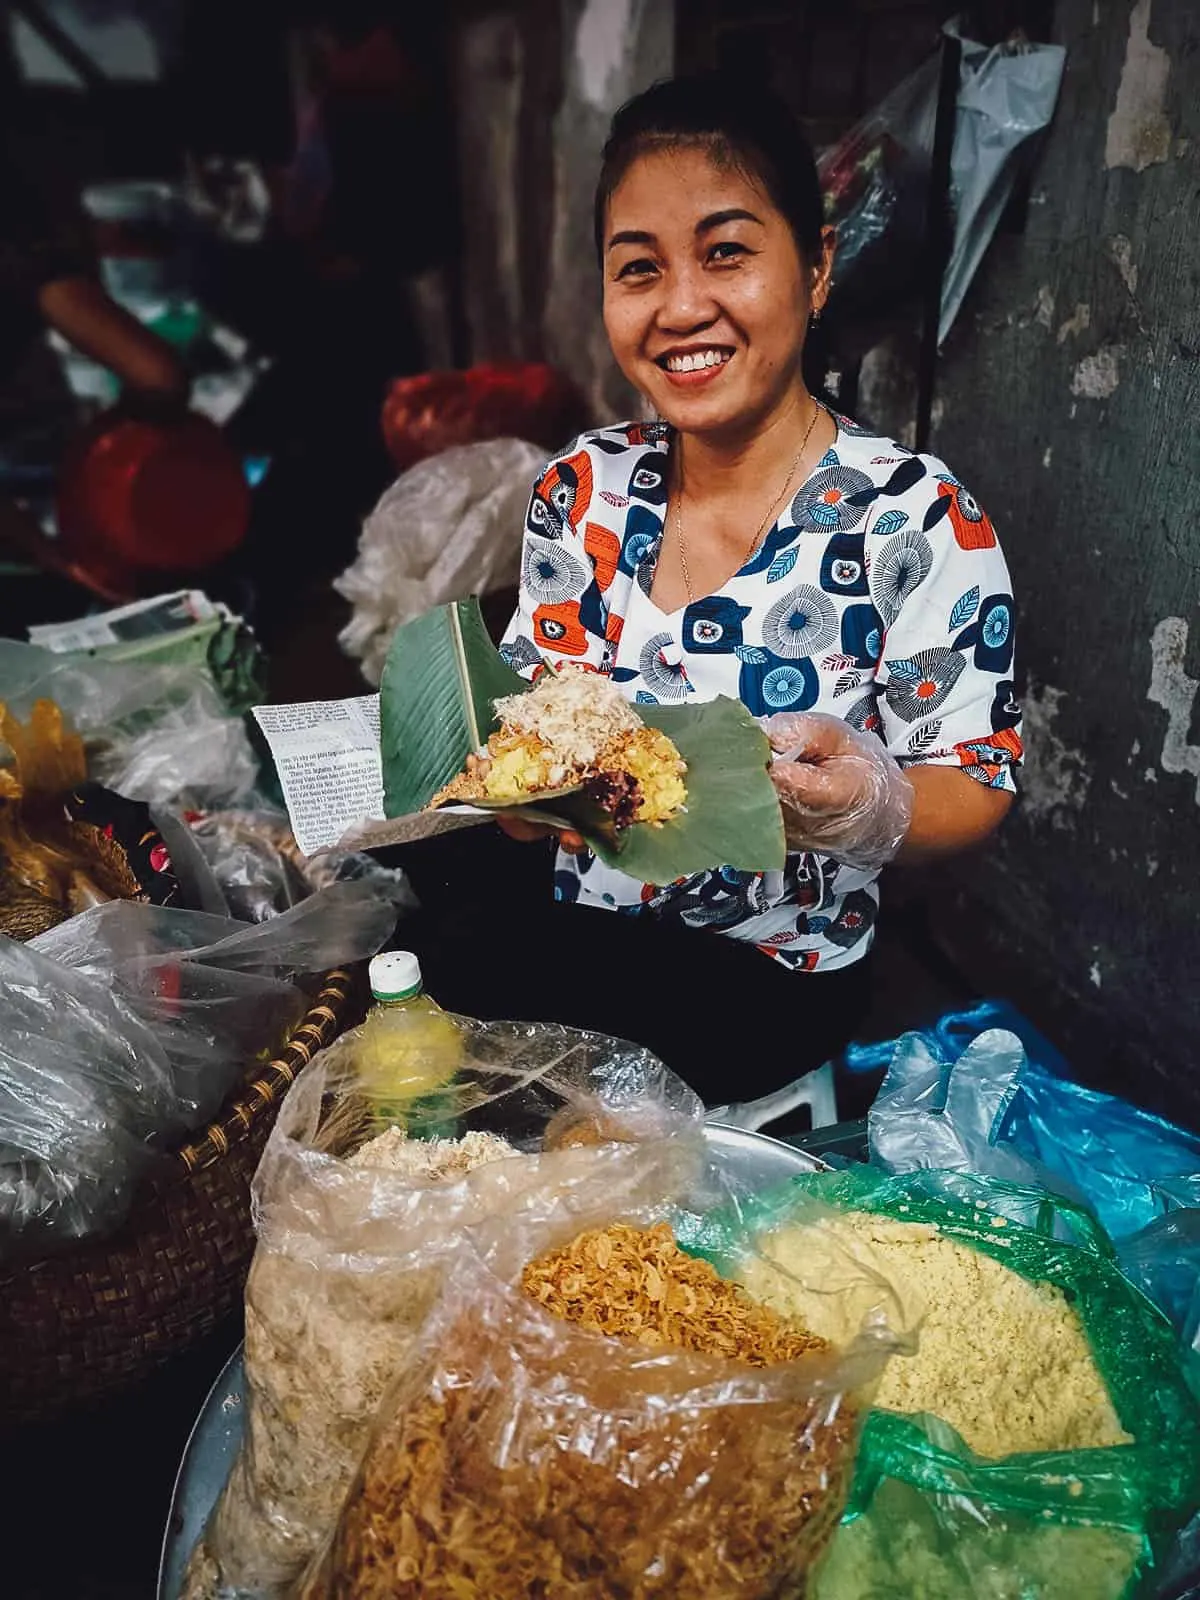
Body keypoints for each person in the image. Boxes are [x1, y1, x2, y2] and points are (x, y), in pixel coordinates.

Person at [411, 74, 1022, 1113]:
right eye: (639, 268)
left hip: (768, 971)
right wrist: (508, 790)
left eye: (727, 252)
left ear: (817, 266)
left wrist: (872, 805)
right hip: (582, 924)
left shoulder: (913, 517)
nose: (683, 306)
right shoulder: (582, 487)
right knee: (403, 992)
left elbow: (980, 777)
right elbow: (533, 705)